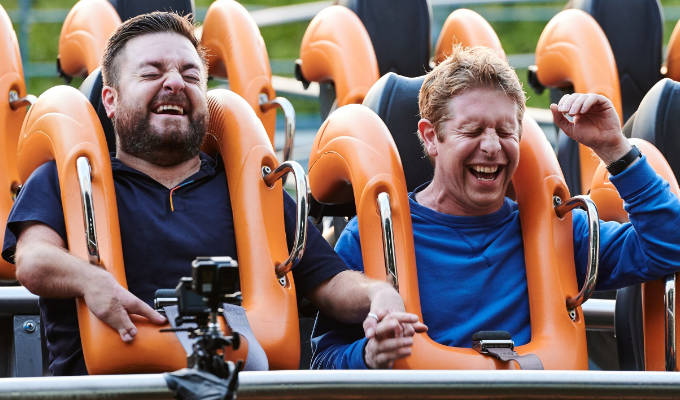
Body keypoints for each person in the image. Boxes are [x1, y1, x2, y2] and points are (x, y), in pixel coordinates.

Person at [1, 12, 424, 376]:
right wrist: (90, 280)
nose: (174, 84)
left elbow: (330, 282)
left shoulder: (251, 191)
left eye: (189, 75)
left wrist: (377, 296)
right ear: (110, 100)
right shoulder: (64, 181)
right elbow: (34, 261)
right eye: (151, 73)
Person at [310, 45, 680, 369]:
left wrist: (614, 149)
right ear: (430, 138)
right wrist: (367, 356)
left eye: (505, 132)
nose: (492, 147)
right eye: (472, 131)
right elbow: (321, 361)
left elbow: (669, 246)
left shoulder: (559, 232)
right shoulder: (371, 237)